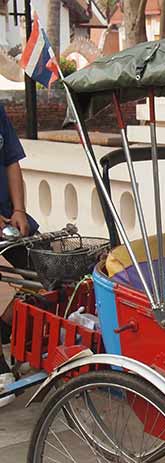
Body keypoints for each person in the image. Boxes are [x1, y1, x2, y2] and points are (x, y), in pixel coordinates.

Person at [0, 103, 38, 393]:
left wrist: (20, 210)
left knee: (43, 273)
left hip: (7, 217)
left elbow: (12, 161)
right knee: (6, 293)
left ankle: (31, 348)